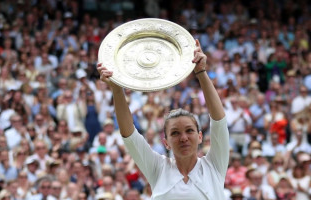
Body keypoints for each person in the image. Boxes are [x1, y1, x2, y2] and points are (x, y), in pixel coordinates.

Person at [97, 39, 229, 199]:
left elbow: (219, 121)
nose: (184, 138)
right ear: (165, 142)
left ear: (200, 136)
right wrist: (117, 89)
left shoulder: (214, 166)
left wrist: (201, 72)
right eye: (175, 133)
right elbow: (129, 135)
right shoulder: (158, 168)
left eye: (189, 130)